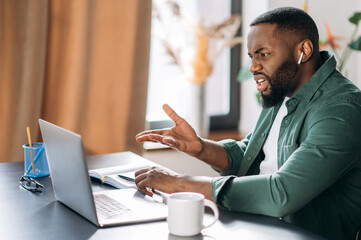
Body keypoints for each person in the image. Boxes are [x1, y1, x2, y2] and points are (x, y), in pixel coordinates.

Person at [134, 7, 361, 240]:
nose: (253, 67)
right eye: (252, 56)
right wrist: (201, 148)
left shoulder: (341, 109)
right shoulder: (282, 90)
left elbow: (281, 193)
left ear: (303, 50)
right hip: (259, 227)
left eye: (263, 54)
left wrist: (179, 184)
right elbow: (251, 156)